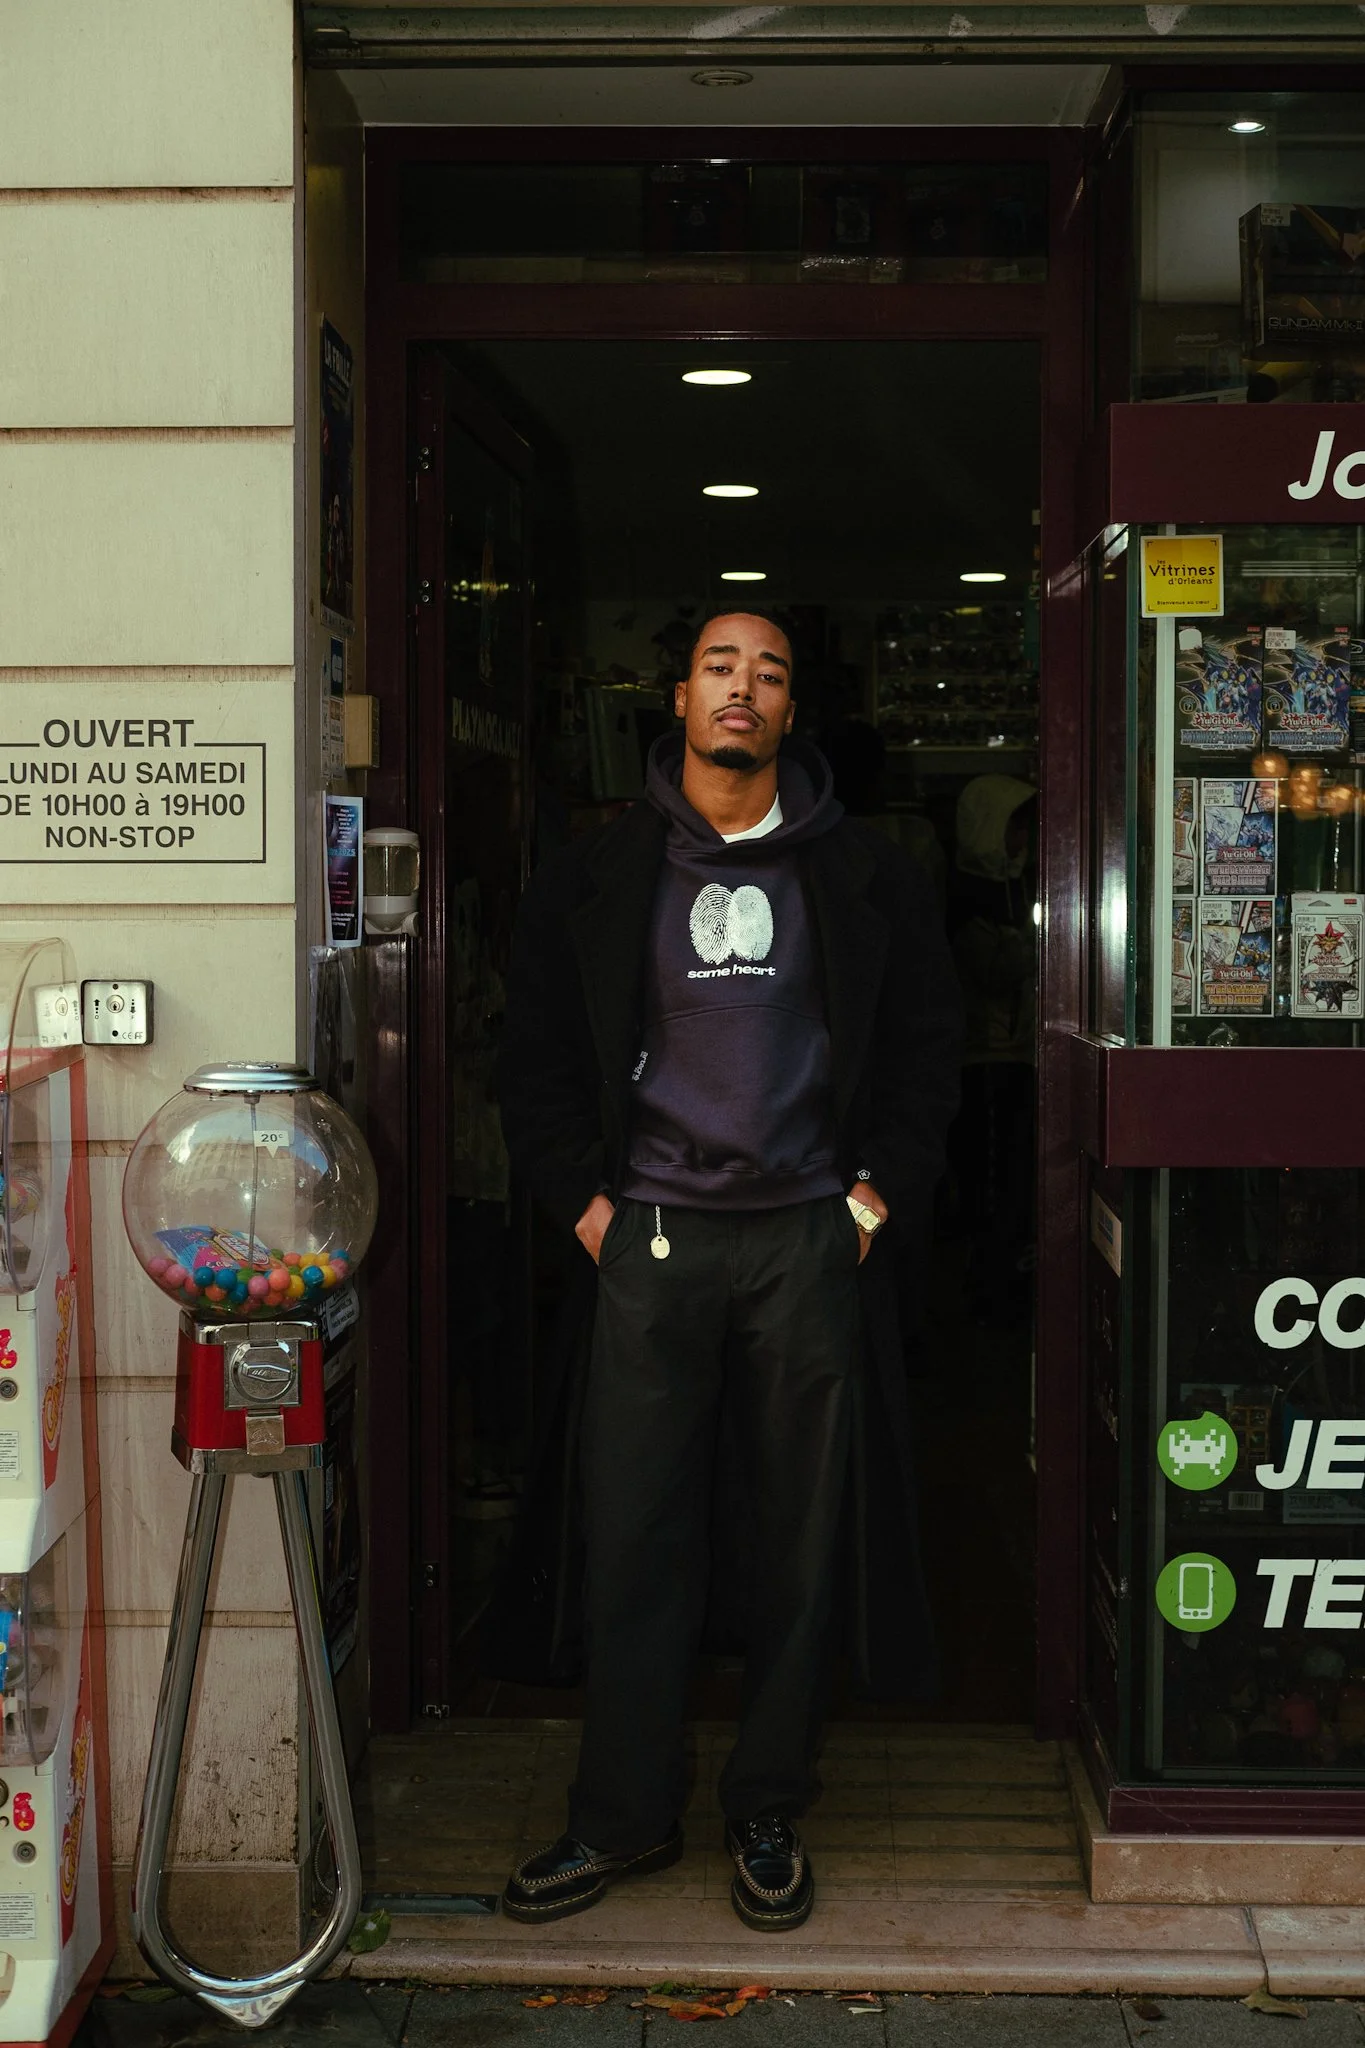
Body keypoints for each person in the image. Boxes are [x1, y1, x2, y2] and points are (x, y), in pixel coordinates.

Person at [495, 612, 961, 1931]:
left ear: (790, 706)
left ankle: (765, 1803)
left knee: (800, 1538)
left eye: (767, 673)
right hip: (647, 1235)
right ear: (681, 697)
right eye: (719, 667)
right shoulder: (600, 872)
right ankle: (621, 1819)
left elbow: (926, 1055)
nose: (741, 690)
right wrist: (587, 1208)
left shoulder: (859, 874)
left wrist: (870, 1199)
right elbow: (532, 1068)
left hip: (808, 1233)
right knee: (634, 1527)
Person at [946, 775, 1038, 1316]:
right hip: (985, 1060)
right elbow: (990, 976)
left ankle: (999, 1282)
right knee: (992, 1180)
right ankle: (987, 1289)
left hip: (1016, 1055)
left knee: (1011, 1180)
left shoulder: (1017, 886)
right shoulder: (965, 900)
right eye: (1015, 825)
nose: (1023, 838)